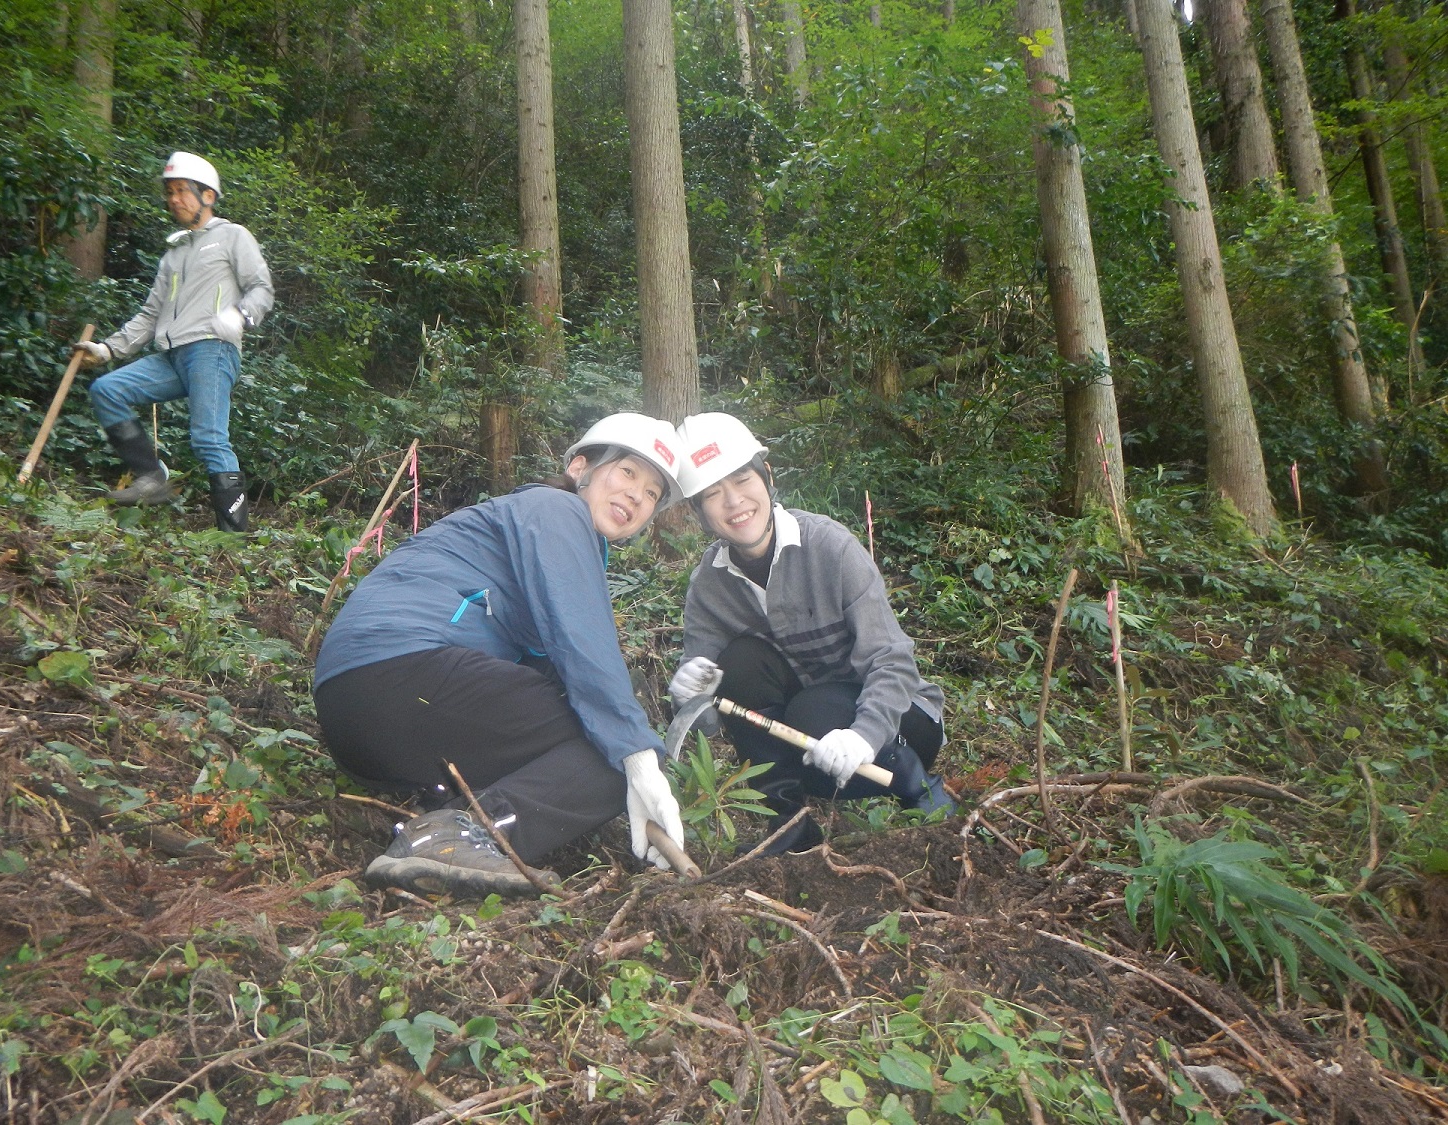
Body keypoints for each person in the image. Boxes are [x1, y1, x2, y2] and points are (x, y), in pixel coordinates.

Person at [312, 413, 689, 897]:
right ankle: (461, 835)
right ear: (580, 468)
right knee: (609, 752)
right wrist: (638, 757)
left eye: (653, 493)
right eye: (628, 473)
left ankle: (450, 822)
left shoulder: (543, 536)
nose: (638, 495)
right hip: (402, 672)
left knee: (601, 746)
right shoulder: (554, 509)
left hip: (366, 716)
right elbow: (583, 640)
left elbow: (551, 672)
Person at [668, 412, 954, 855]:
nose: (733, 502)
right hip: (813, 749)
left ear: (767, 476)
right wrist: (689, 692)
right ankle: (789, 827)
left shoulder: (830, 548)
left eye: (743, 480)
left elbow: (892, 660)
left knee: (814, 709)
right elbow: (708, 716)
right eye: (712, 494)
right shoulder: (710, 585)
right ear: (699, 512)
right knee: (738, 661)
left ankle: (921, 789)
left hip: (896, 725)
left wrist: (863, 735)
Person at [73, 151, 274, 532]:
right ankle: (152, 477)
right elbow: (150, 315)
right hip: (171, 356)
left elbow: (261, 289)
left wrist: (240, 317)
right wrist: (108, 349)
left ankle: (234, 537)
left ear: (208, 196)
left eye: (183, 191)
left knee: (209, 439)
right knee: (107, 390)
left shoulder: (233, 237)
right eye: (170, 192)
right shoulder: (174, 253)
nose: (174, 199)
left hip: (212, 349)